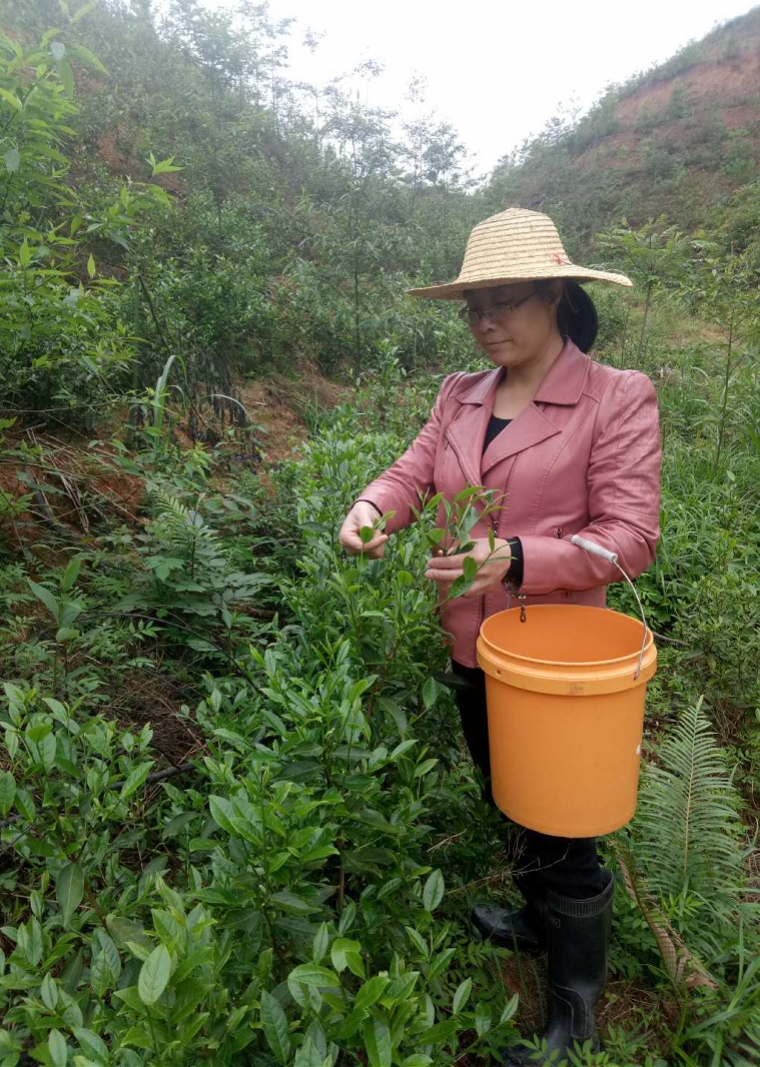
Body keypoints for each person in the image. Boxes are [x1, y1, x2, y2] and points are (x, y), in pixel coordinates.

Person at [338, 207, 662, 1064]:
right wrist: (374, 506)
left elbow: (630, 538)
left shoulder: (616, 397)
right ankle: (531, 916)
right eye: (472, 305)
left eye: (505, 302)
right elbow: (414, 471)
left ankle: (574, 1013)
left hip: (557, 660)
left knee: (565, 825)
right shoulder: (460, 393)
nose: (485, 322)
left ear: (554, 295)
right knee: (506, 794)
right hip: (471, 645)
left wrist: (515, 556)